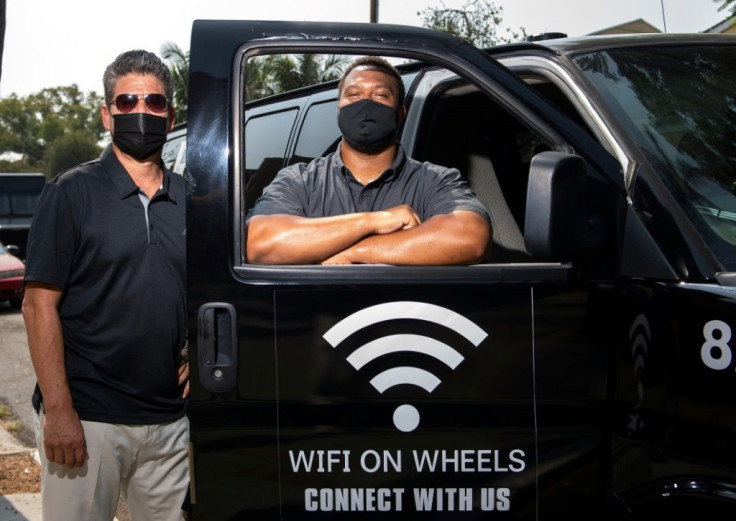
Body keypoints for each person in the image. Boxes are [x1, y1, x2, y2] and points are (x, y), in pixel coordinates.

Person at [21, 50, 189, 521]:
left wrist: (199, 347)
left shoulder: (192, 201)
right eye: (127, 101)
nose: (141, 112)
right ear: (107, 114)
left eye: (154, 103)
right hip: (87, 420)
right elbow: (38, 307)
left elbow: (208, 291)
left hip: (170, 422)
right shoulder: (70, 193)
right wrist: (58, 412)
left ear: (171, 116)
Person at [246, 56, 492, 265]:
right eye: (353, 94)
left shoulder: (435, 180)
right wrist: (373, 221)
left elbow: (470, 235)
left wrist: (355, 252)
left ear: (400, 114)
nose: (365, 104)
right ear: (339, 109)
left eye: (380, 95)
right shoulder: (299, 180)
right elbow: (261, 244)